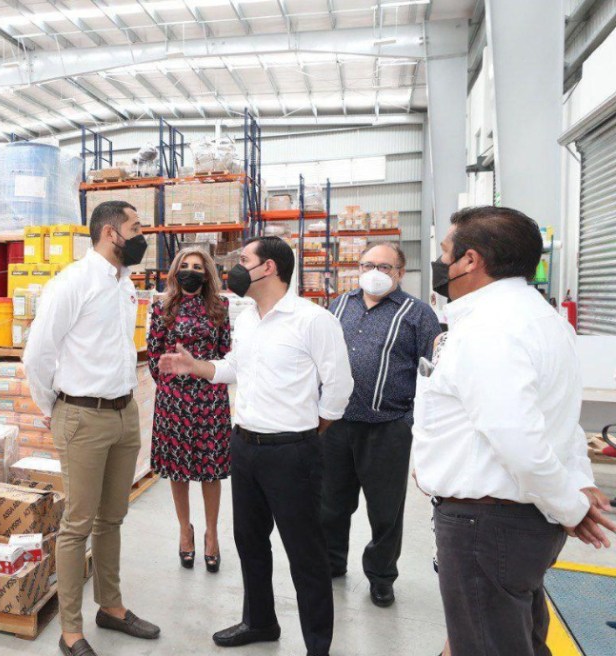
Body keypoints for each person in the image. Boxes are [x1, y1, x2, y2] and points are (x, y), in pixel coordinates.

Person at [413, 206, 616, 656]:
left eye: (445, 251)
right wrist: (573, 487)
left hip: (488, 525)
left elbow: (518, 441)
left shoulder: (490, 329)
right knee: (515, 638)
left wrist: (570, 507)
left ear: (470, 260)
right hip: (515, 522)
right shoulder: (540, 317)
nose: (440, 262)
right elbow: (560, 417)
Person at [160, 236, 353, 656]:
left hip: (292, 452)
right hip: (244, 444)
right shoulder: (246, 317)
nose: (234, 266)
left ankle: (318, 645)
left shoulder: (313, 320)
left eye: (244, 259)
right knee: (250, 541)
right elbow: (234, 366)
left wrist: (310, 429)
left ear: (268, 268)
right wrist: (196, 366)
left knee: (305, 552)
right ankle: (260, 621)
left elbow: (339, 385)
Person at [23, 200, 161, 656]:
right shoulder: (73, 283)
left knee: (112, 518)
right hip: (82, 414)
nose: (142, 237)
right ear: (109, 233)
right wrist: (55, 408)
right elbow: (37, 354)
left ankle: (111, 607)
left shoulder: (124, 284)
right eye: (135, 228)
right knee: (77, 524)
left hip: (123, 413)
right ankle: (70, 631)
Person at [321, 242, 441, 608]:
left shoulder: (418, 314)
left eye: (385, 267)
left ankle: (381, 576)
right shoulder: (338, 306)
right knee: (330, 504)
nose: (375, 272)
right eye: (367, 265)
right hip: (336, 424)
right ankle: (331, 563)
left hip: (387, 427)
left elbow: (434, 373)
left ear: (400, 273)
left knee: (385, 511)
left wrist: (411, 422)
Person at [146, 248, 232, 573]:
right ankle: (185, 530)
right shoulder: (162, 308)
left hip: (210, 397)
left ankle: (211, 533)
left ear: (206, 273)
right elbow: (154, 354)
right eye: (184, 265)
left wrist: (204, 374)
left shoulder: (220, 308)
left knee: (211, 470)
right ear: (175, 270)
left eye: (197, 266)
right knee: (177, 469)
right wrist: (170, 384)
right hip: (173, 399)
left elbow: (226, 353)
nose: (190, 271)